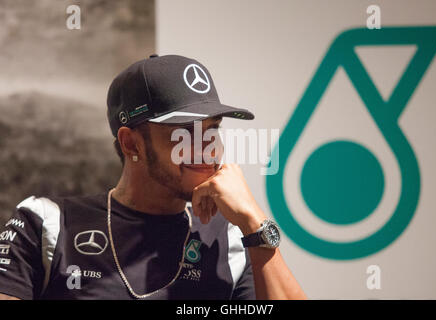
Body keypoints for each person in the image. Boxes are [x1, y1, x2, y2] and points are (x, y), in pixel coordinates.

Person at [0, 54, 306, 300]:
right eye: (184, 133)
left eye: (211, 130)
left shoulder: (232, 239)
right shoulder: (45, 223)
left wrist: (255, 223)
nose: (206, 149)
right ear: (131, 143)